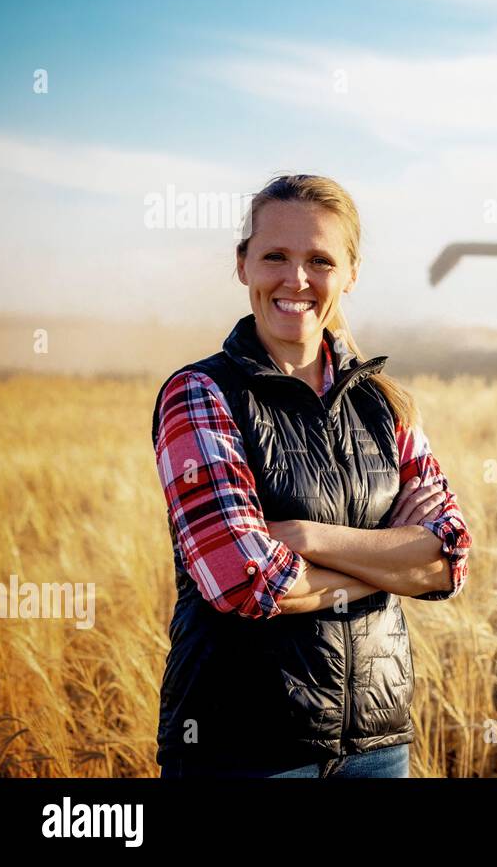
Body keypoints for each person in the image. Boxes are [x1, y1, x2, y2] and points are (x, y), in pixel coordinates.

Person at [151, 173, 471, 778]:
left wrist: (307, 537)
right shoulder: (200, 395)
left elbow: (447, 564)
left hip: (377, 751)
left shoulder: (385, 404)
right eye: (275, 255)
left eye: (319, 260)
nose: (296, 280)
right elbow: (243, 581)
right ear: (243, 264)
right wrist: (388, 568)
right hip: (241, 749)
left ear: (350, 273)